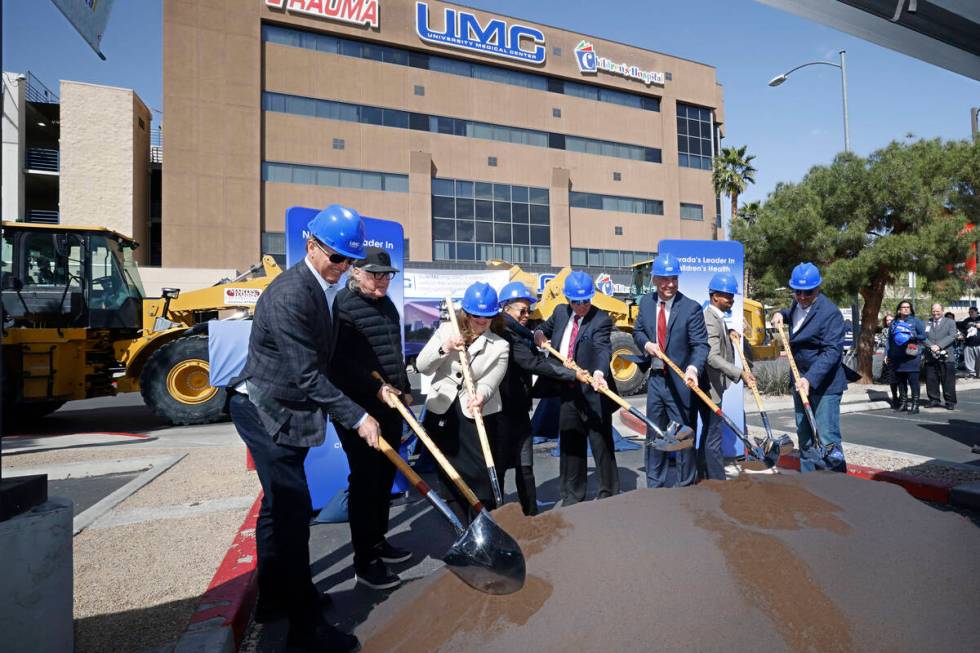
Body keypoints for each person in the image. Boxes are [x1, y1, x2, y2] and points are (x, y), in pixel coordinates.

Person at [227, 204, 379, 653]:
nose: (344, 268)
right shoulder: (292, 295)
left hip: (280, 404)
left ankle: (276, 597)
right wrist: (358, 415)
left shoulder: (321, 286)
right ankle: (304, 631)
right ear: (312, 246)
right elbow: (306, 376)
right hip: (264, 411)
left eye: (350, 261)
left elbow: (325, 361)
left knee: (278, 509)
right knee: (293, 513)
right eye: (337, 258)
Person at [331, 247, 412, 591]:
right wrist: (374, 391)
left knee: (384, 478)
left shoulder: (387, 305)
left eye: (386, 275)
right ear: (355, 274)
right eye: (374, 274)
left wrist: (404, 390)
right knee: (365, 481)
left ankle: (379, 541)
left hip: (391, 402)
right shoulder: (344, 308)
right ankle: (364, 560)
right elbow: (339, 365)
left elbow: (394, 353)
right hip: (359, 407)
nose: (381, 281)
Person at [416, 282, 509, 524]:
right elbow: (422, 366)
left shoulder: (500, 345)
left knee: (479, 475)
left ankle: (482, 524)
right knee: (449, 473)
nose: (482, 321)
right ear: (466, 313)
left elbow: (492, 380)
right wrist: (445, 347)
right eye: (477, 315)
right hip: (442, 410)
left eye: (488, 316)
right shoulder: (447, 330)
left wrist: (482, 394)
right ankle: (461, 529)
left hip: (476, 412)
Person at [497, 281, 583, 515]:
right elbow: (533, 364)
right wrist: (572, 373)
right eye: (521, 311)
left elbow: (539, 357)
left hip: (519, 406)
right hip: (500, 409)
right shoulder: (505, 333)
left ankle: (530, 511)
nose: (527, 315)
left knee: (525, 462)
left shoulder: (521, 332)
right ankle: (499, 512)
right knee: (501, 463)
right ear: (506, 308)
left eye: (528, 310)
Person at [533, 271, 619, 504]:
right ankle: (573, 494)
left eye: (586, 301)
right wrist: (539, 335)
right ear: (568, 300)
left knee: (601, 444)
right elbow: (543, 328)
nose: (581, 306)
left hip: (594, 391)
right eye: (576, 301)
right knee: (571, 444)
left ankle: (608, 494)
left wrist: (600, 373)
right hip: (568, 390)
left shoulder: (601, 319)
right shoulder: (561, 312)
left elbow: (603, 350)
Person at [633, 254, 708, 488]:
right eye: (665, 280)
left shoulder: (691, 308)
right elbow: (638, 332)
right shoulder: (645, 303)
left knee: (683, 437)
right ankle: (655, 485)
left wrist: (693, 370)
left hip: (680, 381)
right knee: (655, 435)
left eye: (674, 279)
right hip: (656, 381)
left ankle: (685, 485)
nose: (670, 284)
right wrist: (647, 344)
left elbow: (700, 345)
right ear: (655, 279)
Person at [770, 262, 847, 472]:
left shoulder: (830, 313)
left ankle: (838, 487)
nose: (802, 297)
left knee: (827, 438)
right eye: (798, 292)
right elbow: (794, 314)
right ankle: (809, 484)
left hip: (824, 385)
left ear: (818, 289)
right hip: (800, 378)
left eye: (808, 292)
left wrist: (809, 379)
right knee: (804, 436)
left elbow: (832, 352)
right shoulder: (796, 304)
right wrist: (781, 314)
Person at [698, 272, 754, 481]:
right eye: (727, 296)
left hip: (713, 386)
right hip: (709, 388)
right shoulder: (711, 320)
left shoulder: (717, 319)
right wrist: (739, 372)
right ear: (715, 297)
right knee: (713, 435)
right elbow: (711, 357)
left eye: (732, 296)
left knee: (709, 434)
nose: (731, 300)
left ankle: (702, 473)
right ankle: (717, 480)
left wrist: (729, 333)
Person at [885, 300, 925, 414]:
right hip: (897, 357)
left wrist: (913, 336)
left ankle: (915, 405)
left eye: (908, 307)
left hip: (911, 356)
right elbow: (889, 339)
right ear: (899, 309)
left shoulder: (916, 321)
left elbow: (923, 336)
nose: (906, 309)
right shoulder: (894, 322)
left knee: (913, 382)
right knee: (901, 382)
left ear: (911, 309)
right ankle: (903, 403)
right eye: (903, 307)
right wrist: (888, 354)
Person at [923, 303, 957, 410]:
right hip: (930, 355)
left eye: (937, 311)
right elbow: (923, 337)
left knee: (948, 380)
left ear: (942, 311)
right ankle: (934, 399)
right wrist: (931, 346)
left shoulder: (950, 322)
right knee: (931, 379)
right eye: (933, 311)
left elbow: (952, 336)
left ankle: (950, 401)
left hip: (946, 356)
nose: (935, 313)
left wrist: (939, 346)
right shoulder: (927, 322)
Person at [879, 314, 899, 407]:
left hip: (899, 356)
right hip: (889, 356)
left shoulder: (899, 329)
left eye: (891, 320)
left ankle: (902, 398)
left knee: (900, 379)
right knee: (892, 379)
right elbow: (883, 342)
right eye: (887, 320)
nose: (889, 322)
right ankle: (895, 397)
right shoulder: (884, 330)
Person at [960, 306, 980, 379]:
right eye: (969, 312)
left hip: (979, 344)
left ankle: (979, 374)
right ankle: (971, 374)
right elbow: (962, 330)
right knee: (969, 361)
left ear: (976, 312)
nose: (970, 313)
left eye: (972, 312)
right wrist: (961, 335)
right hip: (968, 344)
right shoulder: (966, 320)